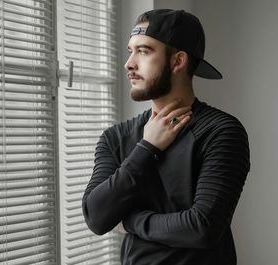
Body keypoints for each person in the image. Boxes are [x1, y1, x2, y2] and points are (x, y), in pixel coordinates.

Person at [82, 9, 250, 265]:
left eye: (144, 51)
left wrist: (131, 221)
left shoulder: (221, 131)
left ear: (177, 61)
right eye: (130, 50)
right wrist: (147, 147)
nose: (129, 63)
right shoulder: (116, 137)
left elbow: (202, 227)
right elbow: (96, 217)